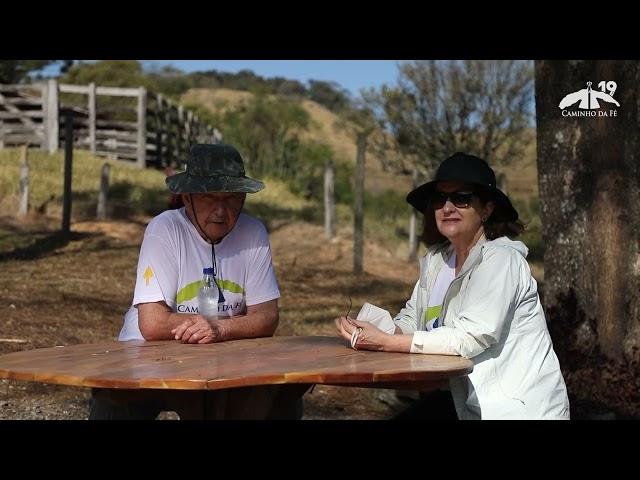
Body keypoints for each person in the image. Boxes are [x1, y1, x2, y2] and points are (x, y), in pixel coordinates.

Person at [335, 152, 570, 420]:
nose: (447, 207)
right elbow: (413, 319)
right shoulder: (437, 262)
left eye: (462, 198)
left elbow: (471, 336)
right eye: (439, 199)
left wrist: (387, 342)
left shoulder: (501, 260)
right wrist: (374, 330)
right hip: (465, 403)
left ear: (487, 208)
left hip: (515, 409)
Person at [89, 143, 304, 420]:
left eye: (231, 199)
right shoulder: (164, 229)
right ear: (187, 198)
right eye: (209, 199)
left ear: (244, 198)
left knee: (282, 397)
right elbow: (152, 323)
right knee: (115, 400)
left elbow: (267, 317)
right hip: (148, 354)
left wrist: (219, 330)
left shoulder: (253, 233)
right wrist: (206, 329)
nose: (220, 211)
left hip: (223, 355)